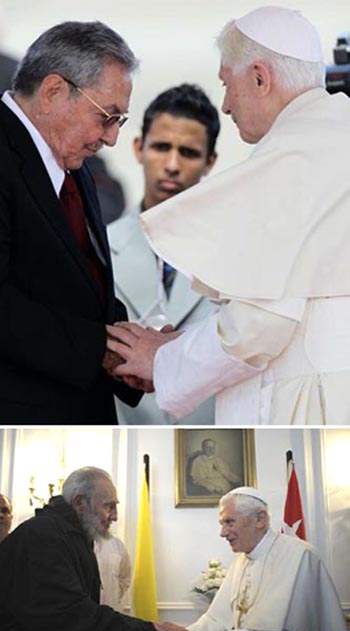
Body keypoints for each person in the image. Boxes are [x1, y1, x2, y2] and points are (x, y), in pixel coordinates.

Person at [106, 6, 350, 426]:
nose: (225, 105)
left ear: (259, 77)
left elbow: (260, 326)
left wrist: (163, 359)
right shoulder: (332, 135)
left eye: (227, 83)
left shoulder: (292, 159)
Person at [0, 20, 144, 424]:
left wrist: (133, 348)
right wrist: (100, 347)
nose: (112, 137)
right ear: (53, 92)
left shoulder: (72, 161)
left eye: (120, 121)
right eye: (106, 116)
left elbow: (80, 286)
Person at [108, 84, 219, 424]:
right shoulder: (97, 247)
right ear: (139, 148)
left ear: (209, 161)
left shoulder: (236, 255)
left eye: (187, 152)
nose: (171, 164)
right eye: (161, 147)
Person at [155, 487, 347, 631]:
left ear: (260, 519)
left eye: (229, 522)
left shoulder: (299, 558)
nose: (222, 532)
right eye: (222, 524)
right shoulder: (242, 562)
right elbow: (216, 620)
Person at [0, 466, 155, 631]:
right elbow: (70, 615)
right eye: (109, 506)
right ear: (79, 502)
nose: (115, 516)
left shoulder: (73, 537)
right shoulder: (42, 535)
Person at [94, 534, 131, 612]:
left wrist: (113, 595)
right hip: (80, 616)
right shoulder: (72, 543)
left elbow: (125, 578)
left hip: (110, 613)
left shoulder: (117, 545)